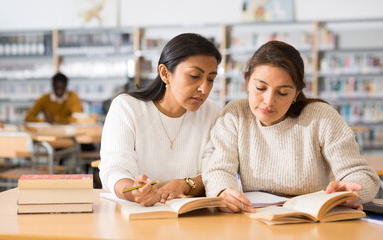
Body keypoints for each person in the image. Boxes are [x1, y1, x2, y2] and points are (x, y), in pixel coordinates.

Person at [203, 40, 380, 213]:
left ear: (297, 92)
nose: (269, 101)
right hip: (255, 219)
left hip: (310, 221)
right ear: (247, 82)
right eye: (260, 88)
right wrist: (223, 191)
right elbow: (219, 168)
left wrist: (352, 191)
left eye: (283, 92)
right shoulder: (235, 114)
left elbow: (362, 175)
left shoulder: (320, 117)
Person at [99, 33, 222, 206]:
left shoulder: (209, 110)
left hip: (190, 217)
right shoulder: (127, 107)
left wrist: (184, 185)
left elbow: (214, 172)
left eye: (211, 79)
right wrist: (133, 192)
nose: (204, 88)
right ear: (165, 73)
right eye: (194, 76)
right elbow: (114, 169)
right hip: (138, 214)